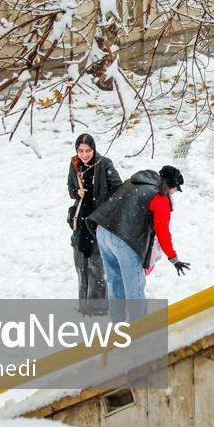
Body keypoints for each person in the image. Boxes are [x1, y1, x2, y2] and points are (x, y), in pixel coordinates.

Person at [88, 165, 191, 322]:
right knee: (134, 288)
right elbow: (162, 231)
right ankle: (138, 331)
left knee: (116, 282)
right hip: (123, 239)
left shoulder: (135, 181)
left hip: (103, 231)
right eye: (176, 190)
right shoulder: (160, 196)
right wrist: (173, 258)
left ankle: (118, 326)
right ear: (172, 186)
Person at [67, 134, 122, 315]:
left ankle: (98, 308)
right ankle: (84, 305)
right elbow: (70, 188)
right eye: (81, 151)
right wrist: (77, 192)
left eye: (88, 150)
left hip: (98, 222)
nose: (84, 155)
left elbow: (118, 189)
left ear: (94, 149)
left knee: (97, 265)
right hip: (80, 221)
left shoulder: (104, 164)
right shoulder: (74, 164)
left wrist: (106, 209)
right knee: (81, 263)